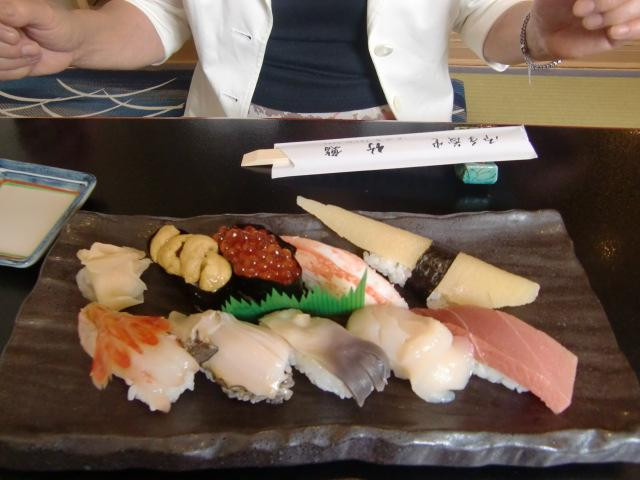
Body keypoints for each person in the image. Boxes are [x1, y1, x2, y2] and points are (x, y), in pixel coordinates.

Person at [0, 0, 638, 120]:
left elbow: (485, 14)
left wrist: (538, 31)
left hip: (397, 134)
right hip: (231, 133)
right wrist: (76, 40)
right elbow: (164, 11)